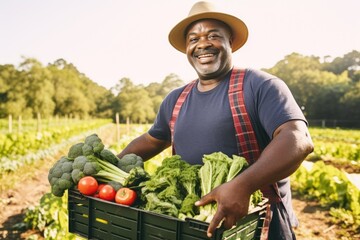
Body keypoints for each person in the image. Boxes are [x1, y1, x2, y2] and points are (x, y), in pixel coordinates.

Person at [118, 1, 314, 239]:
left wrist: (243, 185)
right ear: (187, 49)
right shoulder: (175, 99)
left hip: (255, 224)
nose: (203, 44)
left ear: (230, 42)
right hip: (193, 224)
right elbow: (151, 141)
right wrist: (106, 167)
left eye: (213, 35)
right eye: (193, 39)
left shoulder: (260, 85)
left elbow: (298, 139)